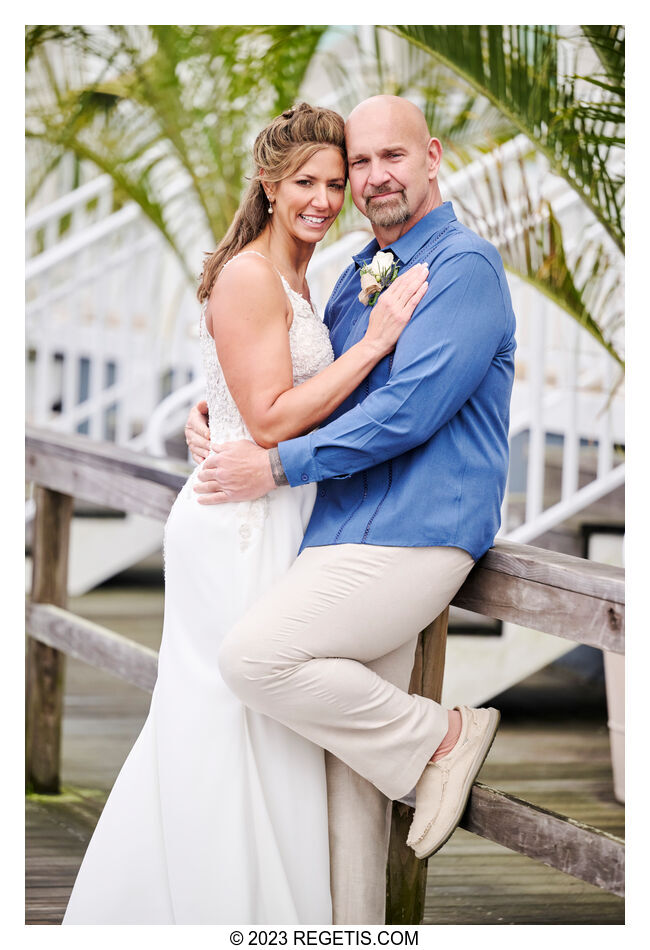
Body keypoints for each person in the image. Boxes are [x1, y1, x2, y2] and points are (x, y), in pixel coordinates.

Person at [62, 102, 428, 925]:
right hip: (237, 524)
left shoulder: (303, 276)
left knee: (268, 727)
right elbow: (267, 419)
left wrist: (213, 408)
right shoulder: (251, 274)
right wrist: (375, 343)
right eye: (306, 182)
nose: (326, 199)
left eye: (336, 184)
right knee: (226, 718)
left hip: (279, 509)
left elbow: (250, 391)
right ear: (269, 184)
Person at [184, 94, 516, 924]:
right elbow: (307, 393)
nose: (369, 180)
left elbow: (407, 411)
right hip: (338, 530)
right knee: (344, 780)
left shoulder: (464, 269)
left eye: (389, 158)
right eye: (354, 165)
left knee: (255, 660)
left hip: (417, 533)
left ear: (432, 157)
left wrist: (276, 465)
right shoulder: (351, 279)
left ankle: (443, 738)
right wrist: (220, 412)